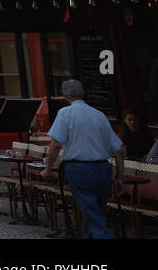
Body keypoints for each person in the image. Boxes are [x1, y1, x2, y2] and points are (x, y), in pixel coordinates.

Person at [39, 78, 126, 238]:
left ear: (64, 95)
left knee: (92, 216)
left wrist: (47, 169)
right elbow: (119, 150)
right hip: (103, 169)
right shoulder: (99, 115)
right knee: (95, 212)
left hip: (79, 169)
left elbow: (56, 144)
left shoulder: (65, 113)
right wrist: (120, 177)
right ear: (83, 93)